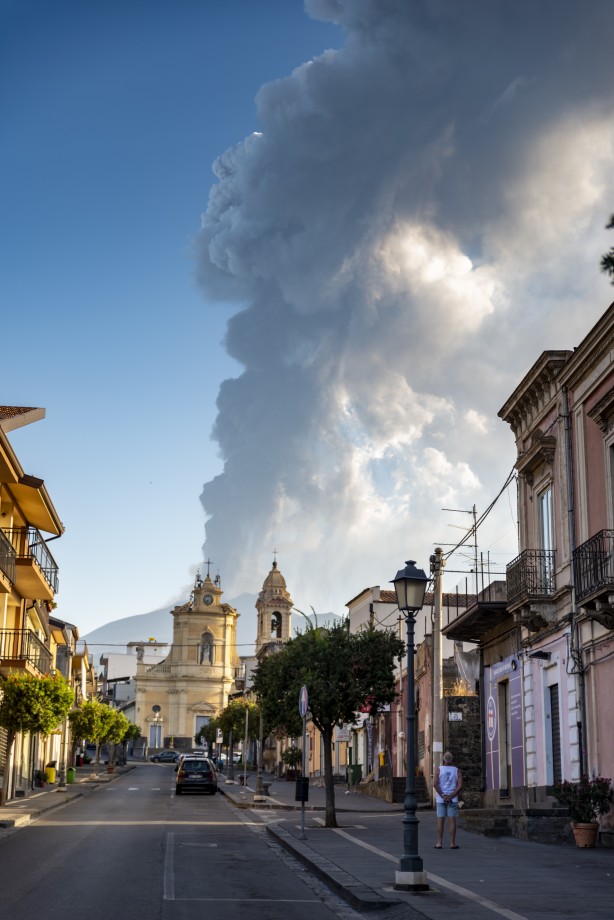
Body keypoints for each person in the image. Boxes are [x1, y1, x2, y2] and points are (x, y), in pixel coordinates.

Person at [434, 751, 463, 848]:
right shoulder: (457, 770)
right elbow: (460, 786)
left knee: (440, 820)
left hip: (441, 799)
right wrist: (451, 796)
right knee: (452, 820)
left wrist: (443, 795)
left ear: (443, 759)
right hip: (453, 799)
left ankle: (439, 843)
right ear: (452, 759)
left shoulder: (438, 770)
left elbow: (435, 784)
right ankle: (452, 843)